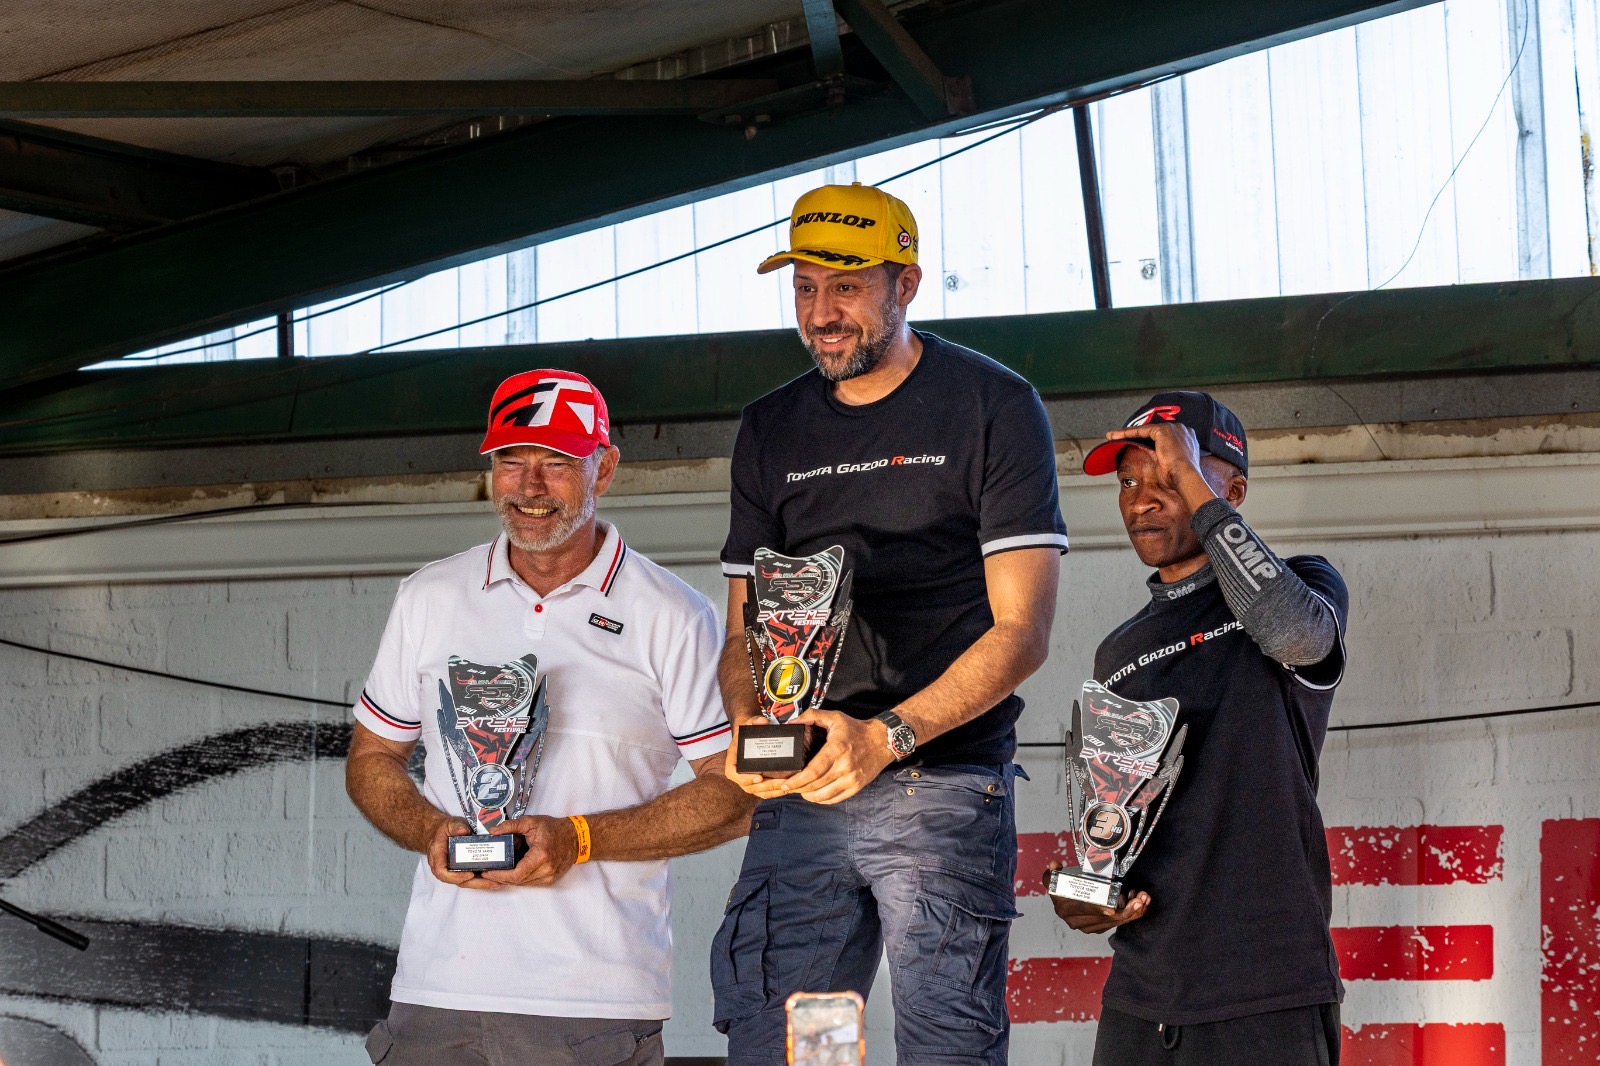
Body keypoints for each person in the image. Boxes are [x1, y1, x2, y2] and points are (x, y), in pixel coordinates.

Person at [711, 182, 1069, 1064]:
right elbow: (744, 631)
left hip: (939, 787)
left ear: (904, 285)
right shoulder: (770, 428)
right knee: (804, 1046)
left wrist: (885, 739)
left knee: (945, 1047)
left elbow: (1022, 631)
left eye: (846, 287)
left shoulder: (992, 404)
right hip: (806, 794)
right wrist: (753, 725)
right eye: (804, 287)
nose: (820, 313)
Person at [346, 368, 757, 1066]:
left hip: (593, 1001)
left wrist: (579, 839)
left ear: (606, 468)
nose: (530, 486)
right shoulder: (429, 596)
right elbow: (371, 758)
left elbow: (738, 793)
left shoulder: (672, 613)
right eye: (511, 461)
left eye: (558, 462)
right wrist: (431, 830)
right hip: (435, 990)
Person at [1049, 391, 1349, 1065]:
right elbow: (1117, 817)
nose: (1143, 500)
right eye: (1129, 481)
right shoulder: (1120, 651)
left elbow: (1294, 634)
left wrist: (1190, 476)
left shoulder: (1305, 584)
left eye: (1170, 473)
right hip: (1141, 994)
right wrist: (1093, 892)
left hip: (1267, 990)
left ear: (1231, 491)